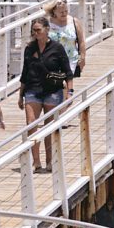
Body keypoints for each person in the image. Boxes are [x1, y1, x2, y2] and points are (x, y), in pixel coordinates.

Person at [18, 16, 73, 174]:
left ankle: (50, 161)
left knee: (49, 128)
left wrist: (69, 93)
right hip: (32, 90)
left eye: (38, 30)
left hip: (52, 91)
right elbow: (24, 73)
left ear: (47, 30)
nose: (35, 33)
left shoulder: (57, 48)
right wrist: (20, 95)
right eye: (33, 31)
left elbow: (68, 72)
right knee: (31, 124)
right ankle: (36, 162)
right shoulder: (29, 49)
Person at [45, 0, 86, 81]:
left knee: (65, 84)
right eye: (61, 12)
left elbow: (81, 41)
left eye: (66, 11)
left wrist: (82, 57)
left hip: (71, 59)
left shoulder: (74, 21)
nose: (64, 14)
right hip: (52, 60)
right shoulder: (47, 23)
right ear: (54, 12)